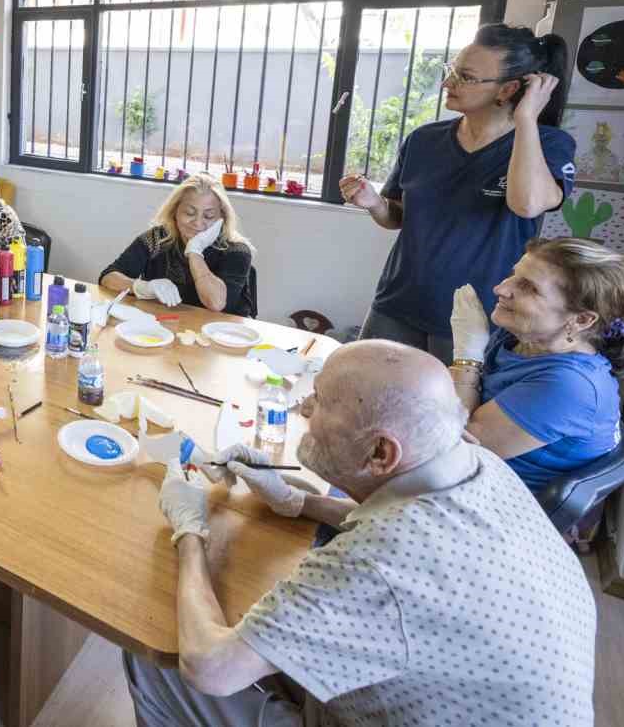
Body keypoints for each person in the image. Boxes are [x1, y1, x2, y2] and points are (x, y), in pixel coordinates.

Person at [127, 339, 596, 726]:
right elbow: (398, 526)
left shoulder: (379, 563)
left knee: (157, 654)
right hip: (451, 695)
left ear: (380, 453)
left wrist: (191, 533)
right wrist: (298, 501)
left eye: (320, 401)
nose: (304, 407)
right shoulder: (479, 465)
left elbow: (210, 669)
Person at [343, 24, 575, 362]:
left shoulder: (548, 144)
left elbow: (526, 205)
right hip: (398, 302)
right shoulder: (424, 140)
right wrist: (375, 204)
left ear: (508, 89)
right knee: (362, 388)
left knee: (455, 399)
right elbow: (398, 217)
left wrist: (527, 118)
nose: (447, 83)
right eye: (451, 71)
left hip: (477, 318)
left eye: (465, 77)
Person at [447, 237, 624, 493]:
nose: (501, 288)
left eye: (529, 287)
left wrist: (467, 356)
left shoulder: (569, 385)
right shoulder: (520, 336)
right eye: (514, 275)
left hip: (493, 498)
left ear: (582, 320)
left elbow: (455, 453)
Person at [100, 173, 256, 316]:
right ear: (175, 211)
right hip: (166, 324)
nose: (198, 223)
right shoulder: (157, 239)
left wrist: (194, 251)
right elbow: (107, 277)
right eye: (189, 213)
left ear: (222, 218)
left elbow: (216, 304)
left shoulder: (236, 250)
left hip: (221, 332)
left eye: (208, 216)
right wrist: (141, 287)